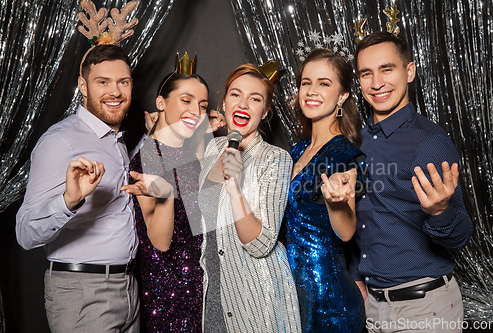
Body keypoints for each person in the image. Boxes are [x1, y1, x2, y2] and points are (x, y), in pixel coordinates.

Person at [352, 31, 473, 332]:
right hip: (374, 306)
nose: (376, 83)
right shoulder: (356, 140)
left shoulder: (429, 142)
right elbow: (360, 220)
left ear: (409, 71)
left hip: (424, 308)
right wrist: (357, 277)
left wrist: (439, 212)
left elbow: (461, 237)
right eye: (366, 73)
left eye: (387, 69)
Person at [16, 45, 139, 332]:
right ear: (83, 85)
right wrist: (69, 200)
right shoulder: (60, 142)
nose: (116, 92)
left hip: (128, 289)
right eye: (103, 82)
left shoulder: (115, 138)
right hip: (82, 292)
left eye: (123, 82)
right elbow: (24, 234)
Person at [121, 57, 224, 332]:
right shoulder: (147, 160)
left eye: (202, 106)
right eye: (186, 100)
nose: (196, 110)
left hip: (201, 290)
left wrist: (207, 136)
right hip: (167, 296)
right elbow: (161, 241)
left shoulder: (189, 156)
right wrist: (166, 195)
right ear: (161, 103)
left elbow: (207, 221)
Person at [198, 64, 301, 332]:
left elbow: (261, 245)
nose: (243, 104)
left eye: (255, 99)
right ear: (223, 103)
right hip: (214, 293)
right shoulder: (214, 146)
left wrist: (235, 189)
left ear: (265, 111)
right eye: (235, 94)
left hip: (255, 297)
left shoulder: (275, 159)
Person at [285, 48, 366, 332]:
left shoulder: (343, 155)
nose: (311, 90)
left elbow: (346, 231)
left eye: (324, 83)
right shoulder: (296, 151)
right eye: (306, 82)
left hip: (330, 303)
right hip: (292, 296)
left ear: (342, 96)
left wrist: (337, 203)